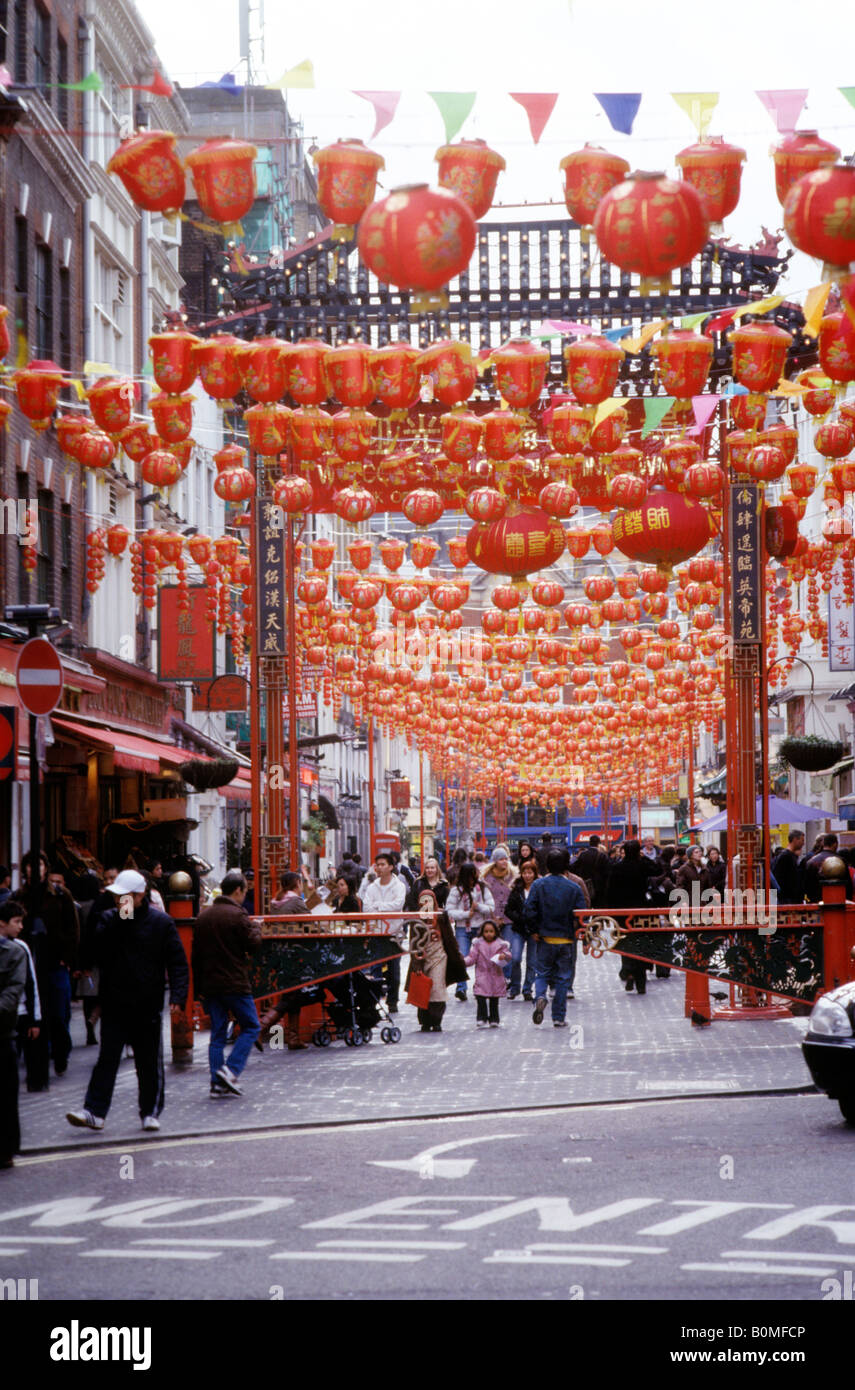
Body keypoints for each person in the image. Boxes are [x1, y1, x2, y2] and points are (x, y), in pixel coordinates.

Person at [66, 870, 188, 1133]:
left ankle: (150, 1111)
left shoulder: (161, 923)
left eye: (124, 896)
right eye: (116, 896)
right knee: (107, 1059)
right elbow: (95, 949)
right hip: (115, 1002)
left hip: (147, 1003)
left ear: (140, 895)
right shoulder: (109, 919)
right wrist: (119, 920)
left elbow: (177, 962)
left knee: (148, 1062)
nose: (118, 900)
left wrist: (178, 997)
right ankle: (94, 1111)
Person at [192, 870, 262, 1098]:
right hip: (234, 982)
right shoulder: (237, 915)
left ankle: (217, 1084)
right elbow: (252, 945)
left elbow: (195, 956)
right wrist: (256, 927)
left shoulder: (203, 917)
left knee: (218, 1035)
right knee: (251, 1026)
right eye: (245, 891)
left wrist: (198, 989)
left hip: (210, 984)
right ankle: (230, 1070)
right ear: (238, 890)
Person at [19, 854, 79, 1083]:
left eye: (40, 864)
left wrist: (68, 958)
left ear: (46, 868)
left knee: (58, 1014)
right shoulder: (19, 897)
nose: (35, 869)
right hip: (29, 963)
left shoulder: (61, 895)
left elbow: (73, 928)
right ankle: (36, 1059)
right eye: (30, 865)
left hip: (55, 963)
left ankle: (60, 1053)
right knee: (31, 1015)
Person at [524, 850, 586, 1027]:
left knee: (542, 973)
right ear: (566, 866)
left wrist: (533, 930)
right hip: (566, 939)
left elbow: (529, 909)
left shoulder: (538, 885)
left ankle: (540, 996)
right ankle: (558, 1016)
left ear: (547, 866)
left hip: (545, 937)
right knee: (563, 978)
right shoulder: (574, 887)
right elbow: (582, 915)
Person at [259, 871, 314, 1049]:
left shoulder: (275, 903)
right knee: (292, 995)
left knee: (291, 992)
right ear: (297, 883)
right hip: (295, 953)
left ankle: (293, 1037)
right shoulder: (296, 902)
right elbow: (312, 924)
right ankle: (260, 1028)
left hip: (279, 953)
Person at [405, 889, 467, 1032]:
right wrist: (416, 964)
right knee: (423, 988)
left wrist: (457, 955)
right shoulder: (417, 919)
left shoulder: (441, 916)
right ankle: (425, 1021)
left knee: (437, 988)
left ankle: (436, 1020)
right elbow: (413, 943)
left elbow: (449, 936)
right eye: (424, 901)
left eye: (429, 900)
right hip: (422, 956)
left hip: (439, 955)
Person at [606, 839, 658, 995]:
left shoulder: (616, 867)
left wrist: (610, 912)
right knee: (640, 944)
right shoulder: (642, 866)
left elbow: (610, 890)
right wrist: (644, 857)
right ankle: (641, 982)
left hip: (622, 911)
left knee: (626, 941)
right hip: (641, 909)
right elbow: (658, 869)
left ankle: (628, 971)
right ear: (637, 852)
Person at [361, 853, 407, 1012]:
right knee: (375, 968)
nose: (379, 867)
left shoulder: (399, 886)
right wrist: (383, 908)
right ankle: (374, 1001)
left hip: (394, 932)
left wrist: (378, 906)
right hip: (376, 932)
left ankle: (392, 1001)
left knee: (394, 970)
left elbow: (397, 905)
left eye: (383, 864)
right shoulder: (372, 887)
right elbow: (366, 908)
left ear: (391, 867)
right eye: (377, 865)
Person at [446, 862, 495, 1003]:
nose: (472, 880)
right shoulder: (456, 891)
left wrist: (478, 907)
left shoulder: (483, 888)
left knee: (482, 959)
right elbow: (449, 910)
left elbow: (491, 907)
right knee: (462, 957)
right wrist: (466, 914)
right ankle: (461, 987)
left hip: (480, 928)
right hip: (463, 928)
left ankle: (481, 986)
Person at [0, 901, 41, 1072]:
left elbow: (30, 984)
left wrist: (35, 1019)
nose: (21, 926)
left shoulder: (20, 948)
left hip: (19, 1013)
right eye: (17, 921)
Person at [0, 910, 27, 1169]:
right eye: (17, 921)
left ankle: (5, 1151)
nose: (21, 927)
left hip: (2, 1033)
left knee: (6, 1097)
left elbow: (13, 993)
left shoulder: (15, 952)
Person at [464, 919, 511, 1028]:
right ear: (482, 932)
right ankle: (481, 1017)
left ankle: (494, 1019)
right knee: (480, 997)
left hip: (496, 976)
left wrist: (504, 956)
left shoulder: (501, 944)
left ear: (496, 932)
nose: (488, 934)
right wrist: (463, 962)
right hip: (482, 975)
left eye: (491, 931)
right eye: (486, 931)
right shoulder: (478, 944)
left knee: (494, 1000)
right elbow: (472, 957)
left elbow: (508, 955)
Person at [505, 860, 540, 1000]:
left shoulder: (539, 888)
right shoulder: (517, 889)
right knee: (515, 958)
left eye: (530, 873)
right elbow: (508, 909)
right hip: (519, 929)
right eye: (525, 873)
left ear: (534, 874)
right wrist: (519, 918)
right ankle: (515, 987)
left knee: (532, 961)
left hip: (534, 930)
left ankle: (527, 989)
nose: (527, 876)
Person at [482, 848, 517, 977]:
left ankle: (506, 977)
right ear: (495, 861)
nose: (504, 861)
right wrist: (493, 916)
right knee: (492, 949)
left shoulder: (513, 876)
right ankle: (493, 976)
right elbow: (484, 899)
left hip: (508, 918)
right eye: (501, 859)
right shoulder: (486, 878)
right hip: (492, 918)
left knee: (507, 948)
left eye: (506, 859)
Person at [571, 835, 610, 907]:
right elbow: (607, 873)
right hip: (599, 887)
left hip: (586, 885)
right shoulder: (602, 856)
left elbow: (574, 867)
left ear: (589, 843)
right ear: (599, 843)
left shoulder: (583, 854)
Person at [804, 833, 840, 903]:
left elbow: (807, 884)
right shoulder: (840, 860)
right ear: (835, 844)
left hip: (815, 900)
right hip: (836, 899)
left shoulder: (811, 861)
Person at [774, 830, 806, 904]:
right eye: (802, 840)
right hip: (788, 899)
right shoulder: (786, 856)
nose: (803, 843)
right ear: (795, 839)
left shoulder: (790, 856)